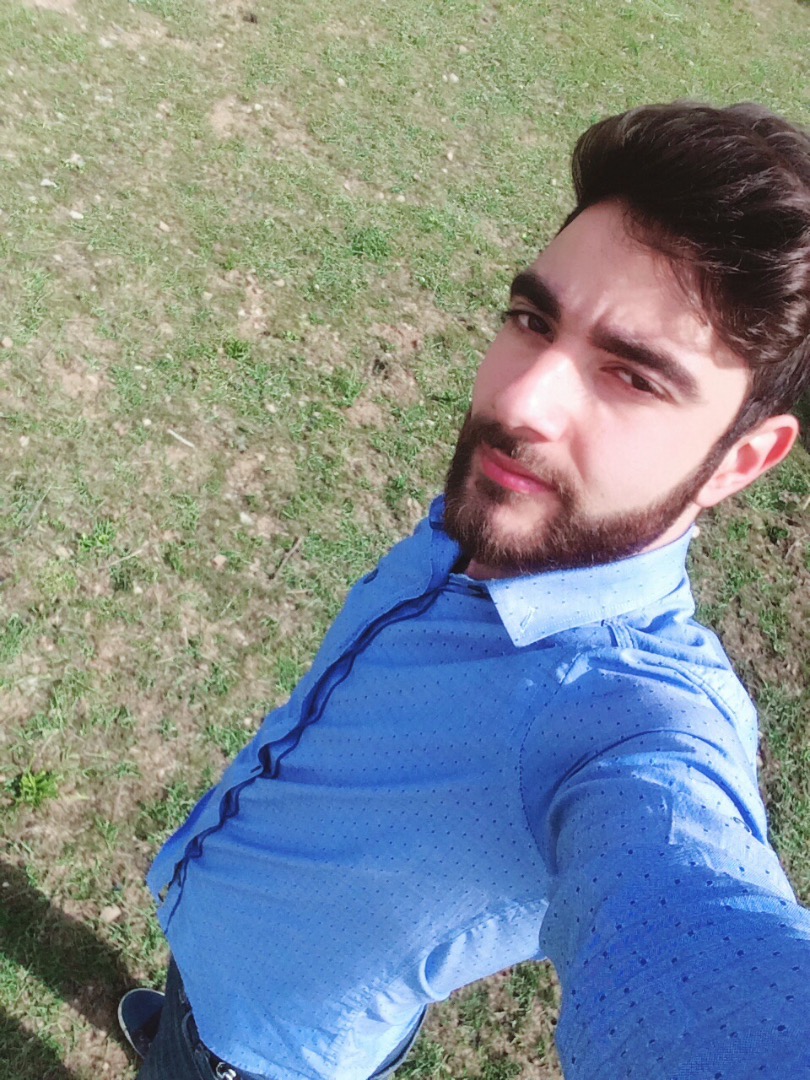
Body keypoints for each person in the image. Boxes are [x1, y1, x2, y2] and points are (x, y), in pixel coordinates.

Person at [119, 101, 810, 1079]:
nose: (519, 401)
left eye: (634, 377)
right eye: (533, 320)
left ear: (741, 461)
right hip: (218, 927)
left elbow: (700, 946)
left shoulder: (630, 725)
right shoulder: (505, 511)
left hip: (261, 1049)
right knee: (185, 1004)